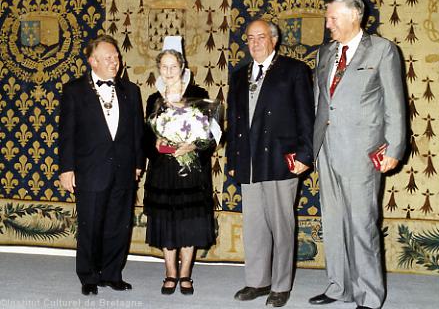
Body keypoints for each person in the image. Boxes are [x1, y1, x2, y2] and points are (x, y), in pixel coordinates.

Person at [310, 0, 406, 309]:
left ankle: (369, 295)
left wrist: (394, 147)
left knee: (362, 223)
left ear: (355, 16)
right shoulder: (325, 53)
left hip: (362, 152)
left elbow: (395, 104)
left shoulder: (382, 50)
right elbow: (321, 104)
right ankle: (339, 286)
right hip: (326, 149)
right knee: (333, 222)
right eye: (327, 18)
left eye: (333, 18)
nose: (327, 24)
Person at [226, 19, 315, 307]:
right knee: (254, 226)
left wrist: (305, 154)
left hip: (281, 160)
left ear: (273, 40)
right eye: (250, 38)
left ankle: (280, 286)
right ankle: (257, 281)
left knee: (281, 225)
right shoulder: (239, 75)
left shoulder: (294, 70)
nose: (254, 43)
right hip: (249, 162)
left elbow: (306, 116)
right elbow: (234, 119)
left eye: (261, 37)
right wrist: (232, 159)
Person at [58, 35, 144, 296]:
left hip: (123, 170)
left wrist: (138, 163)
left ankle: (112, 273)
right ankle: (88, 276)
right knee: (91, 225)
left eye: (116, 56)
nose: (115, 61)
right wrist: (66, 169)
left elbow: (137, 133)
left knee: (119, 225)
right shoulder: (74, 90)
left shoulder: (132, 91)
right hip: (90, 170)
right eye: (108, 57)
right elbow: (67, 133)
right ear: (92, 61)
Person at [143, 40, 216, 296]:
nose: (169, 71)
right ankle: (170, 273)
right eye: (164, 67)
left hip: (191, 172)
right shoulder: (153, 99)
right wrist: (158, 144)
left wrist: (194, 146)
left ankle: (185, 274)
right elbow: (145, 140)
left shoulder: (197, 94)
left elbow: (212, 137)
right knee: (166, 222)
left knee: (188, 224)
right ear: (158, 69)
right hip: (163, 171)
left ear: (183, 66)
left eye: (173, 66)